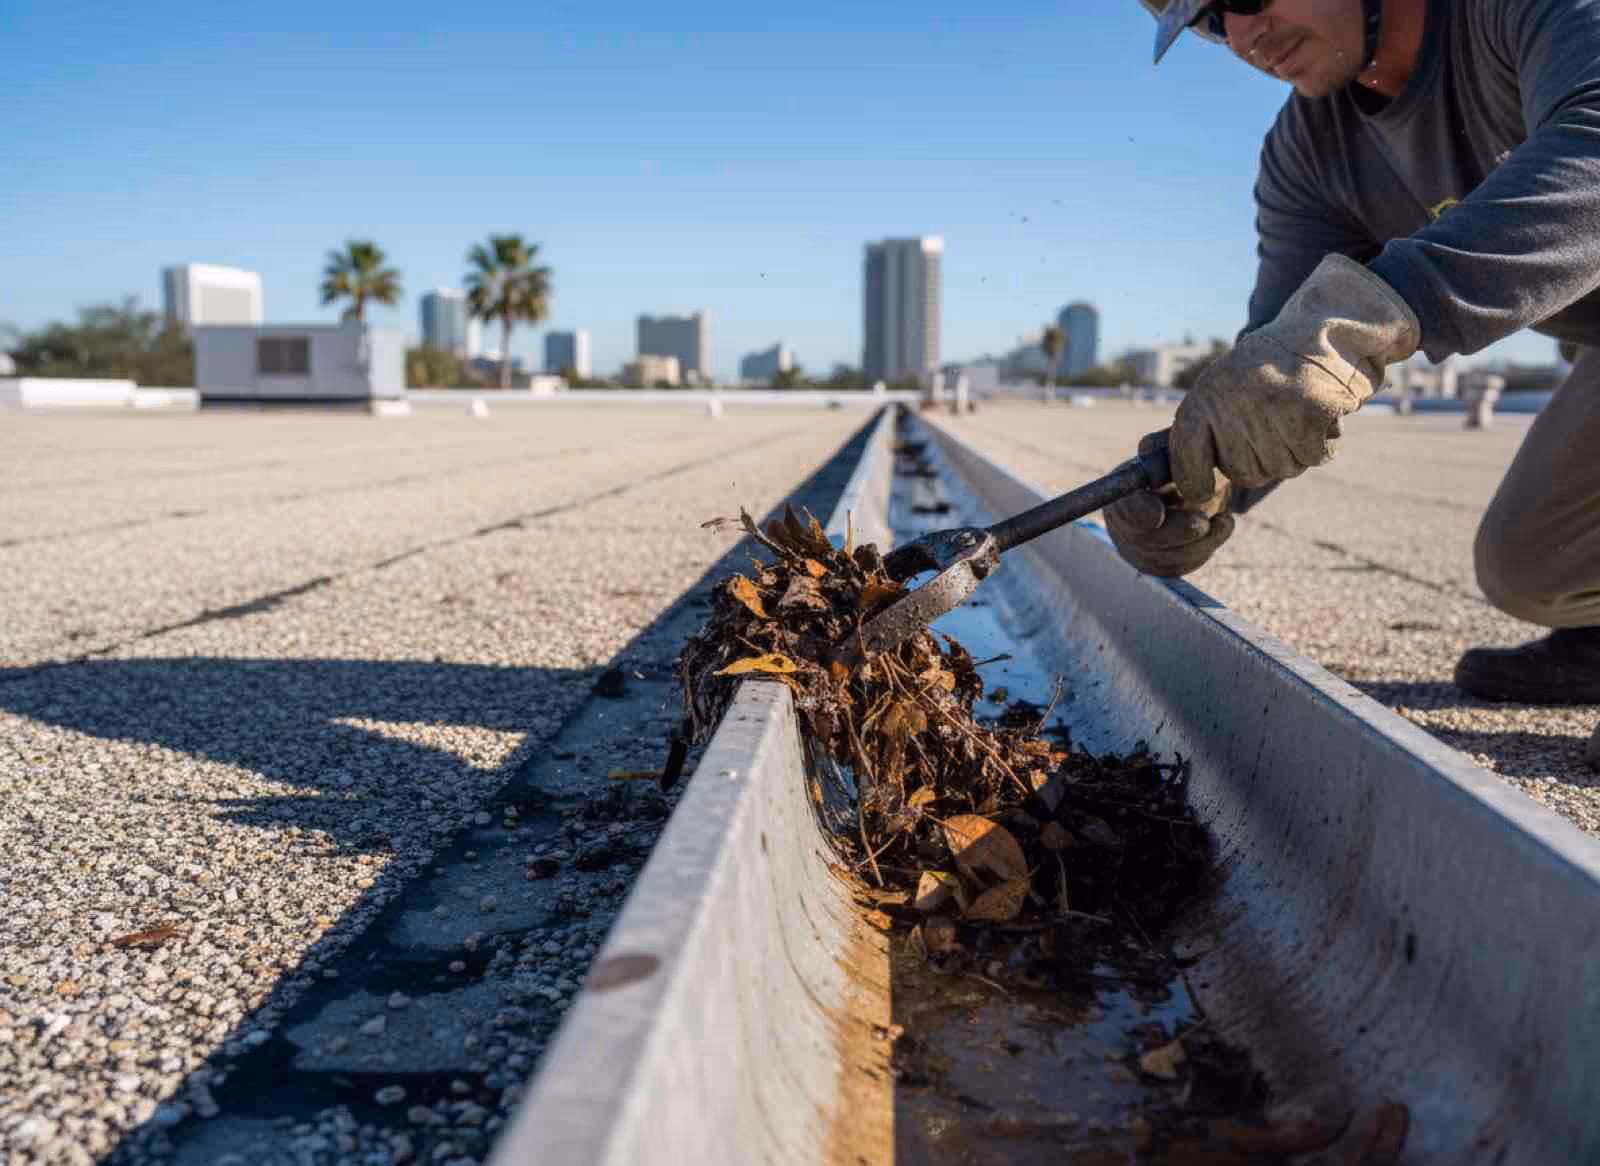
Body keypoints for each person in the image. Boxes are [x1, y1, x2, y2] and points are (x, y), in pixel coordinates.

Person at [1111, 0, 1600, 769]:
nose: (1245, 38)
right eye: (1210, 22)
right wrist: (1196, 483)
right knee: (1530, 568)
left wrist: (1373, 312)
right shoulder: (1312, 150)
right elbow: (1276, 367)